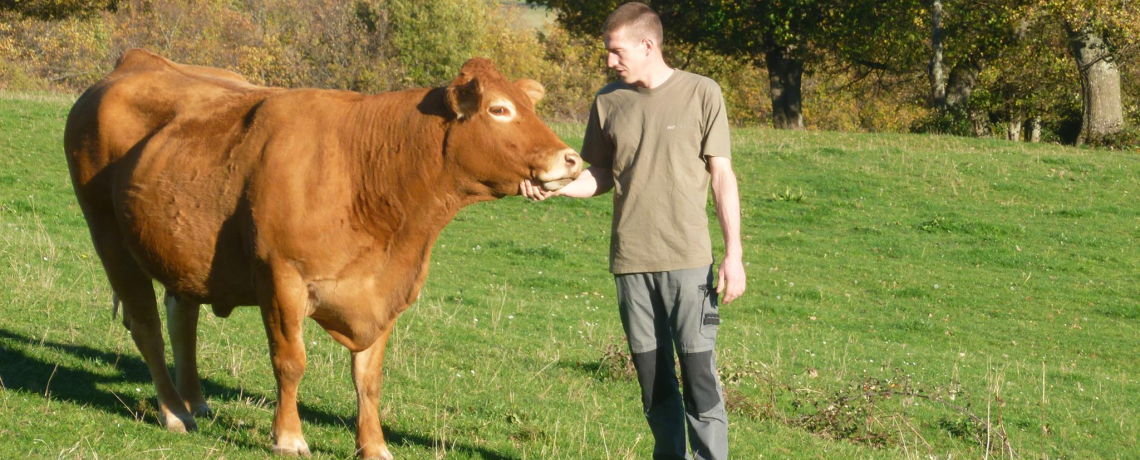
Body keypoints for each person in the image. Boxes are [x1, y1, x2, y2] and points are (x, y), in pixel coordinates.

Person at [520, 3, 745, 459]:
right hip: (631, 266)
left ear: (648, 45)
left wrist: (733, 253)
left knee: (699, 380)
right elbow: (601, 176)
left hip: (689, 263)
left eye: (616, 51)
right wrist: (556, 187)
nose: (609, 61)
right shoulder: (608, 102)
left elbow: (722, 176)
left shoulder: (703, 93)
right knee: (653, 384)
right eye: (607, 52)